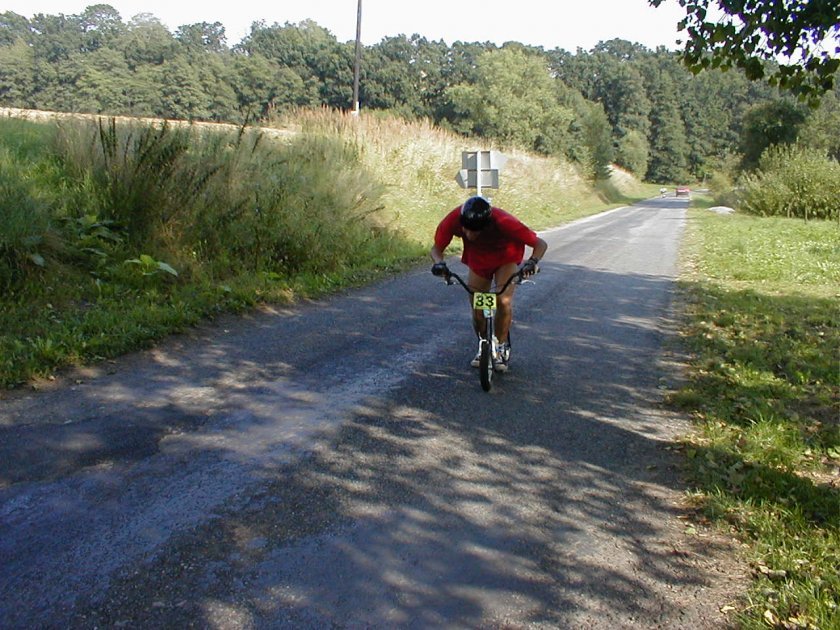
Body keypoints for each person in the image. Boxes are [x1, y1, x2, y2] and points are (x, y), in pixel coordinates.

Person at [430, 195, 547, 372]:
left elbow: (540, 243)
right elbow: (436, 249)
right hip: (479, 261)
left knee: (503, 300)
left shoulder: (504, 221)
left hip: (506, 258)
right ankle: (484, 345)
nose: (469, 235)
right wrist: (439, 263)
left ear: (487, 225)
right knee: (478, 308)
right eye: (466, 230)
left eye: (475, 232)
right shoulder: (453, 219)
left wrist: (532, 261)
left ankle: (499, 346)